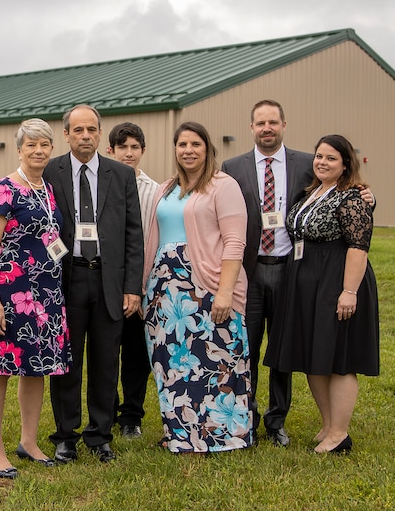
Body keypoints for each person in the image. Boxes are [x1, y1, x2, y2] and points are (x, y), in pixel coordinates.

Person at [221, 99, 374, 447]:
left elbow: (346, 194)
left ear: (284, 125)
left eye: (273, 121)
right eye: (260, 122)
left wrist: (369, 196)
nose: (267, 128)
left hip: (291, 270)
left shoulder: (308, 163)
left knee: (285, 348)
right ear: (251, 128)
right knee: (244, 347)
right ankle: (246, 418)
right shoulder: (233, 166)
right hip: (250, 270)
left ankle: (277, 421)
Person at [264, 134, 379, 454]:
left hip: (336, 280)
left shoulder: (352, 197)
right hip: (306, 281)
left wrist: (349, 292)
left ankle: (340, 433)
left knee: (338, 358)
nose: (322, 162)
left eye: (331, 158)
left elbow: (359, 247)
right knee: (314, 357)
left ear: (345, 165)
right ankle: (329, 425)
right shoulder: (313, 191)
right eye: (319, 156)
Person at [143, 121, 254, 453]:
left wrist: (224, 291)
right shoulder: (165, 188)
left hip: (205, 285)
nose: (188, 150)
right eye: (182, 145)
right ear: (175, 150)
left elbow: (235, 242)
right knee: (173, 363)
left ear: (207, 149)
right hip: (165, 292)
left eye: (195, 144)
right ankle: (179, 434)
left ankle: (223, 437)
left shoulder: (223, 185)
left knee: (216, 361)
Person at [43, 105, 144, 463]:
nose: (85, 136)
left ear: (100, 134)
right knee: (66, 361)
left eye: (91, 130)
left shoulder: (121, 175)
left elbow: (134, 235)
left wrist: (133, 287)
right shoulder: (50, 172)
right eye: (78, 130)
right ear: (66, 134)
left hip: (108, 279)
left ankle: (100, 434)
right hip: (66, 279)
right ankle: (65, 435)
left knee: (105, 360)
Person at [0, 118, 71, 479]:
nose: (38, 151)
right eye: (30, 145)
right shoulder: (4, 190)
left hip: (46, 296)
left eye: (44, 145)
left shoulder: (46, 189)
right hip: (9, 295)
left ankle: (29, 442)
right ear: (19, 150)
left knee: (37, 371)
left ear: (51, 149)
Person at [106, 122, 157, 439]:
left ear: (142, 151)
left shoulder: (155, 191)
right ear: (110, 150)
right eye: (122, 147)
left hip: (142, 285)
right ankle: (106, 411)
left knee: (138, 356)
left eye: (134, 147)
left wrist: (140, 288)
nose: (128, 153)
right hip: (107, 284)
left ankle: (131, 418)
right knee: (106, 353)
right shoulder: (99, 186)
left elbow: (150, 239)